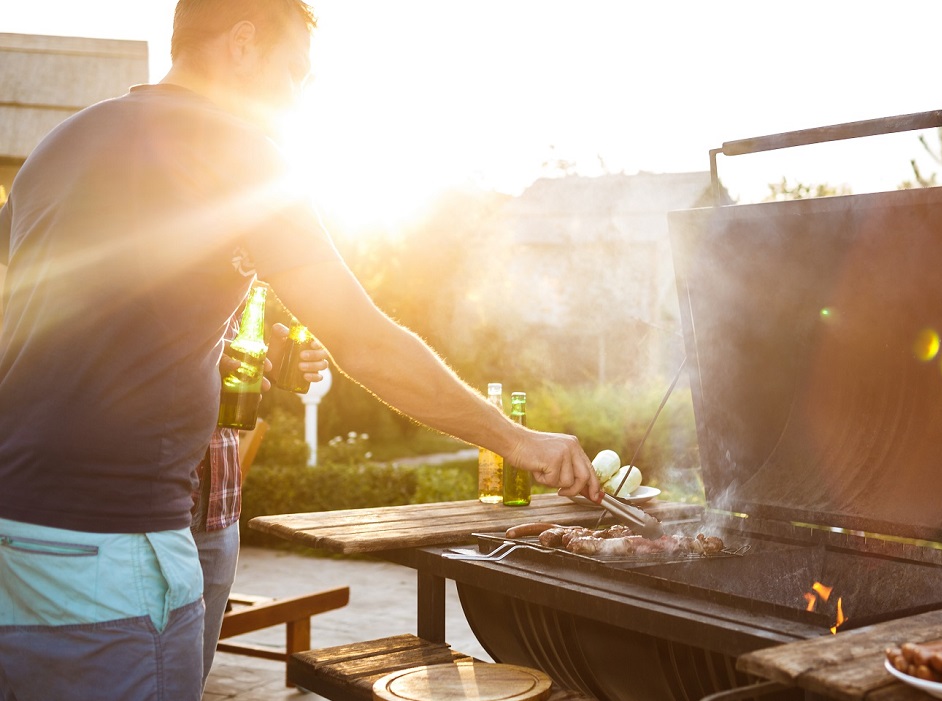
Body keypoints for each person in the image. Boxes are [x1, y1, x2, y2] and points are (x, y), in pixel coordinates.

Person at [0, 1, 600, 699]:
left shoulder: (60, 144)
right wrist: (515, 438)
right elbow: (364, 341)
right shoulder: (238, 151)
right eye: (294, 75)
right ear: (243, 43)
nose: (294, 101)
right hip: (116, 552)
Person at [193, 320, 329, 681]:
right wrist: (199, 361)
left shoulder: (242, 287)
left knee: (190, 681)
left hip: (219, 511)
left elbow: (242, 372)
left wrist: (275, 355)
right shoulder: (154, 273)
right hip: (151, 510)